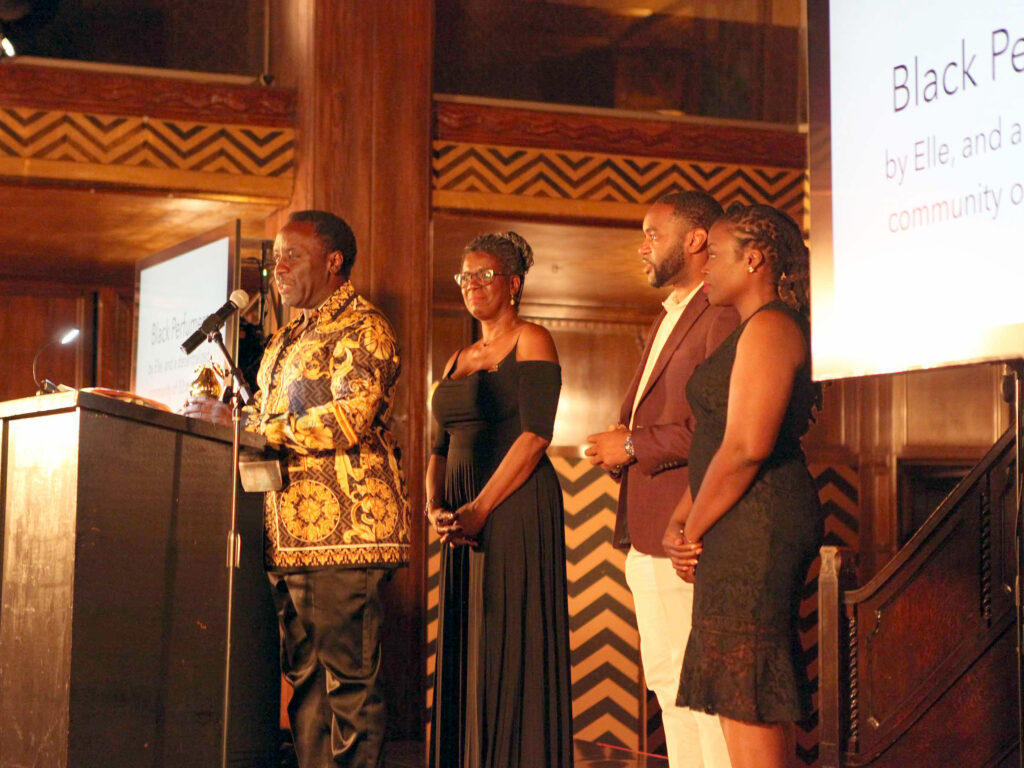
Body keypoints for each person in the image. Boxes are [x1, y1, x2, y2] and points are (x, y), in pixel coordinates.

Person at [184, 210, 409, 768]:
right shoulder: (288, 336)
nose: (277, 268)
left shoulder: (365, 327)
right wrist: (224, 419)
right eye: (274, 258)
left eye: (292, 257)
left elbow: (348, 419)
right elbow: (264, 416)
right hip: (287, 532)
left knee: (350, 683)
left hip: (345, 533)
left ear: (333, 262)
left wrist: (254, 428)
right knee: (305, 683)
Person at [663, 203, 822, 768]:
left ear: (753, 258)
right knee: (735, 688)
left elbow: (749, 445)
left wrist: (694, 526)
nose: (704, 263)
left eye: (717, 253)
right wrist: (681, 516)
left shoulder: (774, 325)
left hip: (762, 519)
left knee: (746, 685)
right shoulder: (750, 328)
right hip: (736, 518)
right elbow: (717, 437)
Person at [584, 191, 737, 768]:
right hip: (649, 529)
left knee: (700, 693)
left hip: (690, 531)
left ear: (695, 239)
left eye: (653, 233)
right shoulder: (671, 313)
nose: (642, 246)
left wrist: (628, 445)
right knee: (669, 685)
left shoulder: (719, 312)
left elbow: (718, 427)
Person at [426, 231, 573, 768]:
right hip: (460, 514)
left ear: (513, 283)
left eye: (485, 275)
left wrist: (480, 509)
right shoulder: (456, 358)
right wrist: (434, 506)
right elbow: (437, 446)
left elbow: (535, 435)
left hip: (513, 504)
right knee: (470, 640)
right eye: (464, 276)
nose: (472, 285)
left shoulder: (533, 338)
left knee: (512, 640)